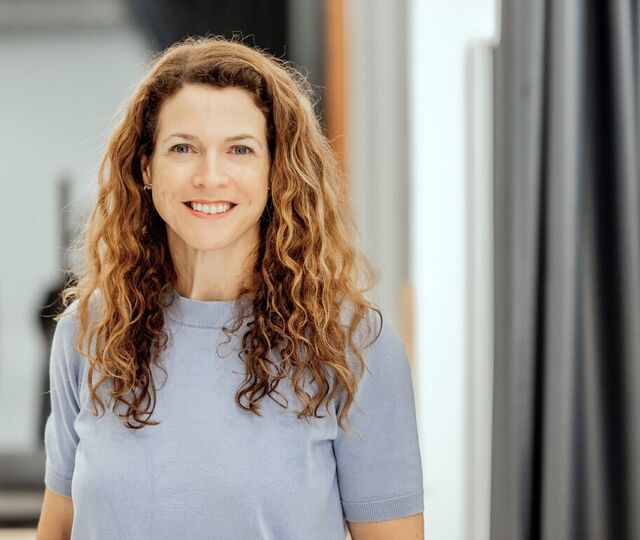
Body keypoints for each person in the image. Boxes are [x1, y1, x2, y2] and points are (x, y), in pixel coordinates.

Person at [36, 35, 424, 540]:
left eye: (240, 150)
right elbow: (59, 526)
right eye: (183, 148)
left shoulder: (353, 346)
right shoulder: (88, 333)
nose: (210, 176)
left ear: (275, 171)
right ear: (147, 167)